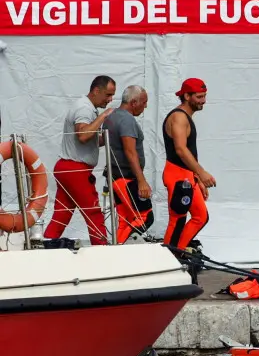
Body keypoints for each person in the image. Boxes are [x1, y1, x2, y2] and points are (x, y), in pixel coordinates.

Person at [44, 75, 116, 246]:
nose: (110, 99)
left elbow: (87, 139)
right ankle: (102, 252)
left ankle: (46, 246)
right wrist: (104, 117)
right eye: (108, 95)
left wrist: (106, 137)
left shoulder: (86, 107)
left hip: (67, 167)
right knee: (93, 212)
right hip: (75, 169)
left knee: (62, 214)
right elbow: (83, 135)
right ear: (96, 91)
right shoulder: (85, 109)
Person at [163, 78, 215, 250]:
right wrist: (202, 173)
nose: (203, 101)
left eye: (204, 96)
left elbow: (188, 153)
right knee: (177, 218)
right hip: (177, 174)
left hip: (186, 174)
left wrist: (197, 179)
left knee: (201, 216)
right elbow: (181, 150)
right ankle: (169, 258)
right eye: (199, 97)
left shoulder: (185, 117)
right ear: (187, 96)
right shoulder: (179, 117)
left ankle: (179, 251)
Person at [103, 85, 153, 244]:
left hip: (115, 177)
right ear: (133, 102)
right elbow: (130, 152)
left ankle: (117, 251)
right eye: (144, 102)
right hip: (126, 178)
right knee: (145, 216)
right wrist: (142, 181)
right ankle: (117, 250)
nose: (145, 106)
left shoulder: (112, 117)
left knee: (125, 220)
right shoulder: (126, 120)